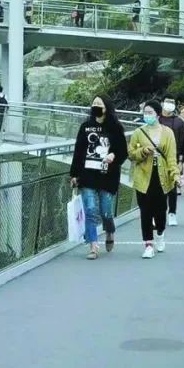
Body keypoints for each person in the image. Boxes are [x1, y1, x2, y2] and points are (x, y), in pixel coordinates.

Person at [69, 96, 129, 259]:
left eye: (99, 104)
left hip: (107, 175)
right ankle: (93, 246)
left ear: (106, 107)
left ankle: (109, 230)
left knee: (106, 211)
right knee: (90, 210)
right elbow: (78, 150)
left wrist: (113, 156)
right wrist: (74, 174)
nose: (95, 107)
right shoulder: (86, 126)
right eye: (94, 104)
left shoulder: (115, 128)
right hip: (87, 174)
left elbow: (123, 151)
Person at [128, 100, 180, 258]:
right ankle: (148, 244)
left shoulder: (168, 133)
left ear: (157, 114)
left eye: (150, 112)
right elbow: (131, 154)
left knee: (160, 210)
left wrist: (175, 175)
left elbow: (171, 157)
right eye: (145, 112)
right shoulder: (138, 132)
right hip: (143, 175)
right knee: (145, 210)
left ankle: (160, 233)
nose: (147, 115)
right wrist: (143, 151)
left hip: (162, 175)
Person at [158, 98, 184, 227]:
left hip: (173, 158)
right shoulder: (157, 119)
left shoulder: (179, 122)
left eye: (172, 102)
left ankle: (172, 213)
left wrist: (181, 160)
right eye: (167, 102)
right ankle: (159, 212)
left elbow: (183, 142)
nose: (169, 105)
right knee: (158, 187)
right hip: (157, 157)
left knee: (172, 187)